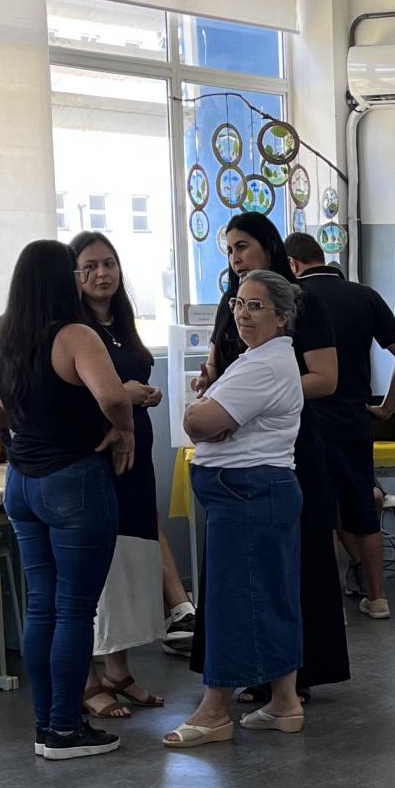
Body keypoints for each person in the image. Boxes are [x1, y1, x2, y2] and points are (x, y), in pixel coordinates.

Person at [0, 239, 135, 759]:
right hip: (73, 480)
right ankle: (67, 731)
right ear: (67, 280)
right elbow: (112, 395)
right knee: (74, 611)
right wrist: (124, 430)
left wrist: (9, 422)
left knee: (42, 606)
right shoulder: (76, 336)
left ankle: (47, 725)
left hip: (22, 484)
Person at [189, 216, 349, 698]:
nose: (235, 258)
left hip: (285, 450)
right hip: (233, 450)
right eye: (229, 250)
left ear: (269, 246)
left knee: (287, 569)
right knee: (236, 576)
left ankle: (291, 679)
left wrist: (255, 396)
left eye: (242, 247)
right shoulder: (231, 302)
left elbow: (325, 377)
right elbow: (220, 368)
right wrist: (214, 384)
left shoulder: (302, 302)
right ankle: (247, 672)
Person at [166, 269, 306, 746]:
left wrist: (200, 412)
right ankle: (284, 701)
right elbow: (213, 421)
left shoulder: (264, 365)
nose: (242, 314)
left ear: (282, 317)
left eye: (255, 306)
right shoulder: (258, 359)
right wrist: (212, 414)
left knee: (232, 602)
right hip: (256, 490)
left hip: (248, 492)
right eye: (238, 304)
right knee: (270, 596)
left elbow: (200, 423)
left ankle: (213, 712)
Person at [69, 231, 189, 717]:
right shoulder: (73, 330)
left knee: (128, 564)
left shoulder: (120, 323)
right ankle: (88, 681)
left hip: (136, 460)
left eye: (109, 263)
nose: (102, 274)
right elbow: (80, 394)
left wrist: (143, 394)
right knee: (96, 570)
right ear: (73, 275)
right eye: (90, 266)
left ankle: (118, 670)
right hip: (100, 458)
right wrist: (126, 394)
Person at [285, 232, 395, 618]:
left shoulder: (292, 298)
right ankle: (378, 597)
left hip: (307, 419)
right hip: (355, 420)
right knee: (363, 508)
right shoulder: (365, 296)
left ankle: (328, 608)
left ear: (292, 264)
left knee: (319, 512)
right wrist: (388, 407)